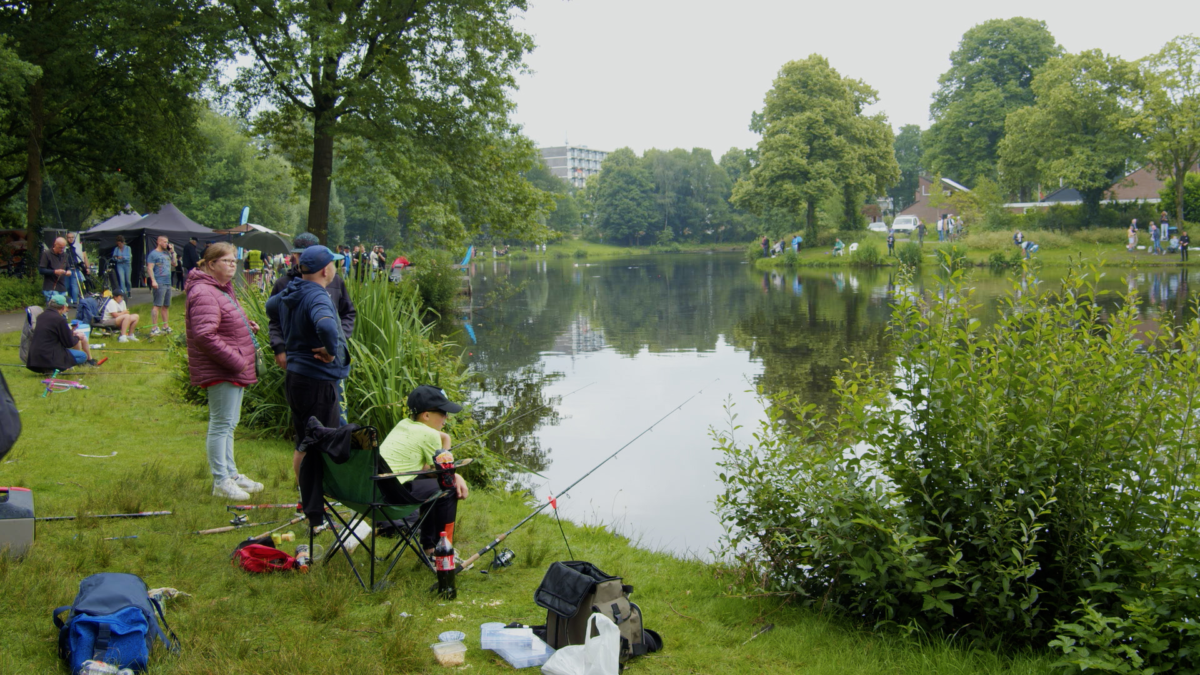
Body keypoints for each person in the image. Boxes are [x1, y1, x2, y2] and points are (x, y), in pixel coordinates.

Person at [185, 242, 264, 501]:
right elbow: (204, 335)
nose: (233, 265)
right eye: (227, 261)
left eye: (234, 261)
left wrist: (245, 325)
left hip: (231, 367)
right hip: (223, 368)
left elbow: (222, 322)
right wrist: (236, 360)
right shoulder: (205, 292)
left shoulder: (221, 289)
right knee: (221, 424)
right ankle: (221, 481)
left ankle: (231, 473)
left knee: (230, 424)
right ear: (211, 264)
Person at [266, 245, 352, 482]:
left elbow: (270, 307)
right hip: (317, 380)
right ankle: (318, 499)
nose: (335, 268)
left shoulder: (294, 288)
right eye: (333, 264)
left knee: (305, 439)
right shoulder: (317, 295)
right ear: (325, 270)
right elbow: (325, 325)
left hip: (297, 376)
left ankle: (307, 497)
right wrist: (331, 351)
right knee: (321, 441)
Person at [378, 385, 469, 553]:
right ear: (426, 415)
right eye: (443, 413)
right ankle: (441, 549)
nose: (446, 418)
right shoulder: (429, 434)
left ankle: (431, 547)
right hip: (391, 497)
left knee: (436, 484)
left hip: (374, 492)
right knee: (447, 488)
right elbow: (445, 474)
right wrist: (456, 476)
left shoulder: (403, 425)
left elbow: (428, 469)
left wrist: (444, 439)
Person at [26, 293, 95, 372]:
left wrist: (70, 332)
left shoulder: (41, 316)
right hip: (49, 357)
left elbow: (52, 335)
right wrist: (78, 337)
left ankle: (51, 368)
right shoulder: (59, 319)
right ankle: (56, 368)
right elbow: (69, 343)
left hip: (34, 359)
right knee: (82, 356)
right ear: (62, 307)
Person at [146, 236, 176, 335]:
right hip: (159, 281)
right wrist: (153, 281)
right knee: (157, 304)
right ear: (159, 242)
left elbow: (174, 264)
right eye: (164, 242)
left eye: (167, 242)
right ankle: (154, 327)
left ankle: (165, 326)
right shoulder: (153, 254)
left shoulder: (167, 253)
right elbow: (149, 268)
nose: (166, 244)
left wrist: (172, 252)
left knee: (166, 305)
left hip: (168, 282)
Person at [38, 237, 72, 303]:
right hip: (50, 287)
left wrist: (69, 271)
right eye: (60, 247)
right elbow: (41, 270)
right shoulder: (46, 254)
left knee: (63, 310)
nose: (62, 249)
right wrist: (54, 272)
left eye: (63, 247)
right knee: (54, 309)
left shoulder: (65, 255)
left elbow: (68, 267)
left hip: (62, 287)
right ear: (55, 244)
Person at [63, 232, 90, 304]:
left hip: (75, 267)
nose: (71, 239)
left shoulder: (79, 246)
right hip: (66, 269)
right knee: (67, 286)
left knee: (74, 285)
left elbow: (84, 257)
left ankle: (75, 301)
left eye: (72, 237)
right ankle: (70, 299)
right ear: (66, 238)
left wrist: (87, 267)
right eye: (69, 237)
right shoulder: (64, 246)